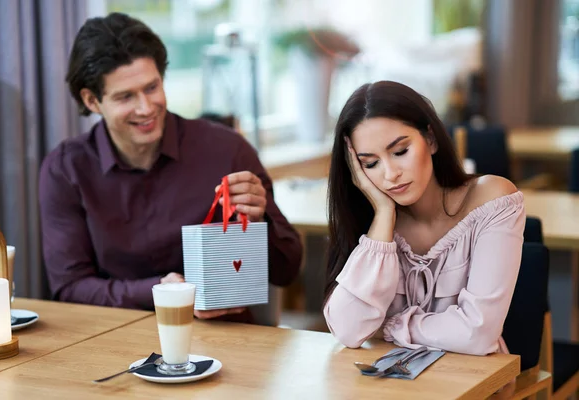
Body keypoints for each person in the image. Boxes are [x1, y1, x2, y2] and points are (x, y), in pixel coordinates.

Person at [39, 13, 302, 322]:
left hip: (225, 340)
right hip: (114, 341)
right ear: (92, 101)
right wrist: (161, 292)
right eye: (126, 96)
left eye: (151, 88)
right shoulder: (67, 169)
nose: (145, 108)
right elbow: (70, 288)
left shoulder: (228, 151)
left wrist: (260, 222)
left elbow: (288, 271)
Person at [323, 81, 525, 355]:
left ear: (430, 139)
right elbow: (348, 331)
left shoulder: (492, 200)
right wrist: (383, 215)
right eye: (370, 163)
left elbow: (477, 334)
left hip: (475, 383)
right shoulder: (369, 223)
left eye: (400, 151)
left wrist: (391, 327)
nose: (390, 173)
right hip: (392, 388)